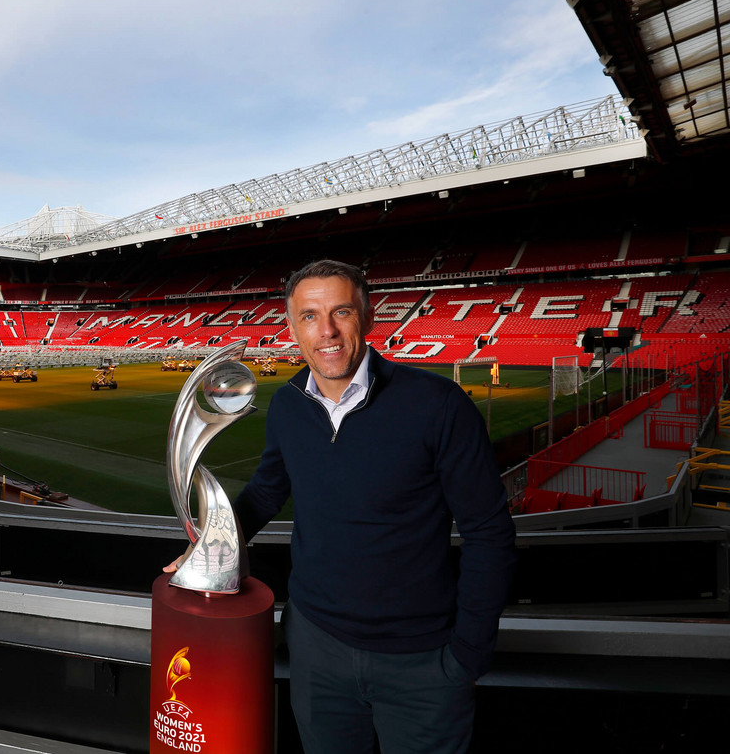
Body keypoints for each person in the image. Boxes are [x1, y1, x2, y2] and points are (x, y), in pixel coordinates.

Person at [171, 259, 516, 753]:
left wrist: (468, 655)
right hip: (316, 649)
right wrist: (208, 548)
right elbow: (268, 490)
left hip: (422, 662)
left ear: (369, 318)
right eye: (309, 317)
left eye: (341, 312)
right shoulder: (289, 404)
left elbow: (490, 532)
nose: (326, 331)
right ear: (292, 327)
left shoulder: (438, 404)